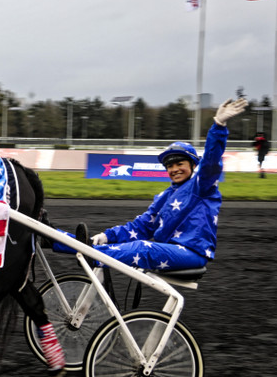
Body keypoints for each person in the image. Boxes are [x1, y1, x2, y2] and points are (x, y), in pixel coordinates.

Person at [54, 97, 247, 271]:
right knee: (97, 245)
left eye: (180, 164)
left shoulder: (201, 185)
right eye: (170, 166)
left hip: (192, 253)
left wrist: (219, 126)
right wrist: (105, 236)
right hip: (169, 250)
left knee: (140, 248)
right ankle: (54, 238)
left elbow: (211, 161)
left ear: (192, 165)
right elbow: (140, 227)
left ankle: (90, 254)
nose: (174, 169)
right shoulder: (164, 196)